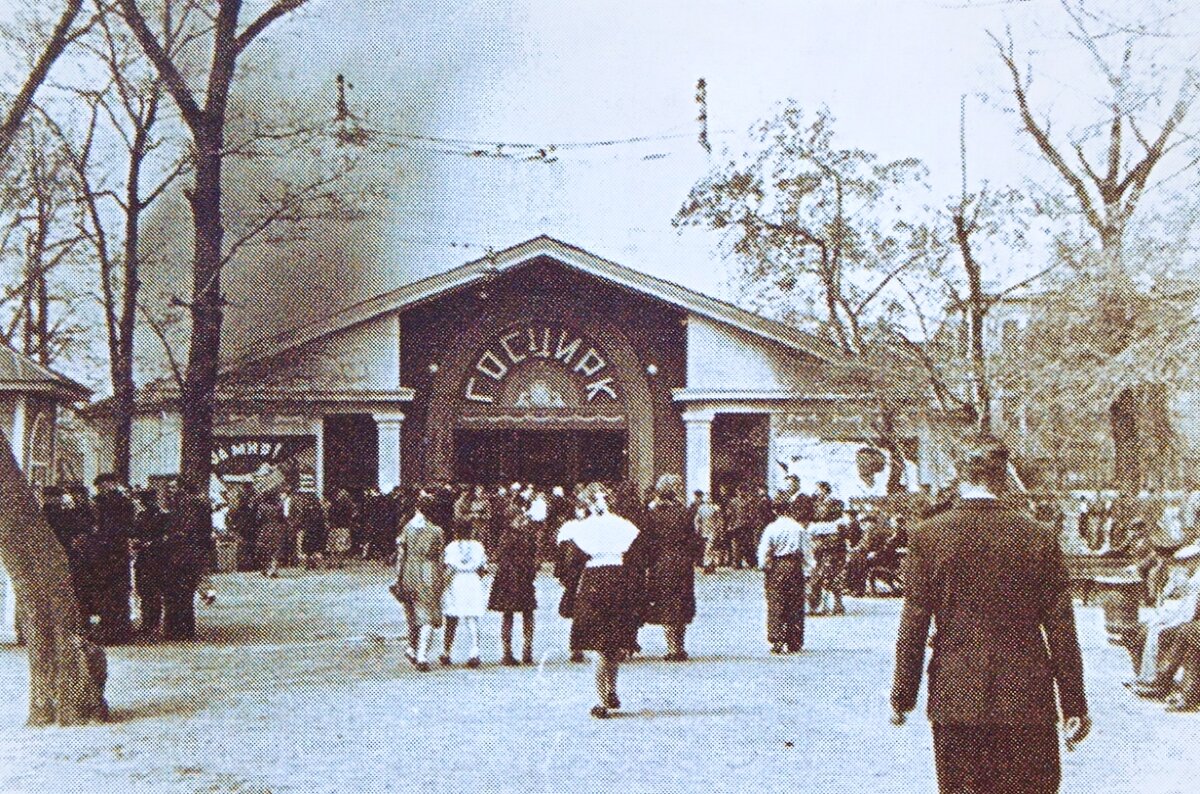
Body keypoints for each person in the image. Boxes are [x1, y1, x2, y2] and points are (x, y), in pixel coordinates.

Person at [890, 433, 1089, 794]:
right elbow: (1061, 629)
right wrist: (1074, 704)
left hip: (956, 693)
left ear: (960, 474)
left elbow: (914, 623)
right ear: (1003, 477)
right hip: (1026, 695)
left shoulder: (927, 536)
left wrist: (903, 696)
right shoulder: (1038, 535)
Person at [570, 483, 646, 718]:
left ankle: (600, 698)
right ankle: (611, 689)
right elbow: (639, 557)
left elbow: (572, 562)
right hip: (619, 577)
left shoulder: (583, 529)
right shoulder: (624, 526)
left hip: (594, 579)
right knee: (613, 642)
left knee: (599, 643)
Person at [643, 474, 698, 661]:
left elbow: (648, 541)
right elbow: (693, 539)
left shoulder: (652, 514)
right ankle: (680, 645)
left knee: (666, 602)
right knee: (681, 601)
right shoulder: (684, 512)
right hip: (682, 561)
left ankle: (671, 647)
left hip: (661, 562)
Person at [392, 493, 447, 672]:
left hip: (409, 571)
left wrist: (398, 577)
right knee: (428, 617)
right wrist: (441, 580)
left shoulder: (407, 528)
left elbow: (401, 556)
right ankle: (422, 655)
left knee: (412, 614)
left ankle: (412, 648)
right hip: (428, 572)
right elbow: (441, 559)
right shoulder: (437, 531)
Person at [757, 498, 815, 653]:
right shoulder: (798, 528)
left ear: (775, 511)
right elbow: (807, 552)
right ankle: (794, 640)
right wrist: (808, 572)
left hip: (777, 565)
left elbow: (765, 550)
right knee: (795, 603)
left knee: (776, 601)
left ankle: (776, 640)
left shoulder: (771, 528)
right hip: (794, 565)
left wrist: (764, 566)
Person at [488, 503, 539, 665]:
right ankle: (517, 650)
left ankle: (518, 650)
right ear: (511, 520)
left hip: (511, 579)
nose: (522, 520)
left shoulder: (509, 536)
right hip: (516, 578)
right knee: (523, 613)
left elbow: (501, 557)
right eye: (519, 517)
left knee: (513, 613)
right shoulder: (517, 535)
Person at [440, 524, 488, 668]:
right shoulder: (478, 547)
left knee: (451, 617)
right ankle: (474, 651)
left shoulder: (451, 547)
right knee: (472, 617)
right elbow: (482, 568)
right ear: (472, 531)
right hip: (472, 580)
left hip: (456, 580)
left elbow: (447, 567)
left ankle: (446, 652)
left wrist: (443, 585)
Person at [131, 488, 170, 636]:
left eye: (148, 500)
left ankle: (153, 623)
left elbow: (165, 537)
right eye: (145, 500)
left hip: (157, 558)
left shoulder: (162, 516)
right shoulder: (141, 516)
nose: (146, 503)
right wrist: (137, 542)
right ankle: (147, 622)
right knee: (144, 591)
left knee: (153, 593)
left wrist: (151, 544)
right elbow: (135, 533)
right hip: (143, 558)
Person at [554, 502, 590, 663]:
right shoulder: (569, 527)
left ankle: (579, 646)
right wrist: (562, 574)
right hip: (576, 573)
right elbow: (562, 553)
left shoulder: (591, 525)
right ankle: (577, 647)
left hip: (585, 570)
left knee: (581, 610)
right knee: (578, 610)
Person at [694, 491, 723, 573]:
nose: (708, 498)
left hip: (713, 530)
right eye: (706, 497)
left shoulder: (716, 508)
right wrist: (697, 528)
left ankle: (708, 565)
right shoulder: (701, 508)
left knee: (709, 548)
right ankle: (711, 565)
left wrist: (719, 530)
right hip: (704, 530)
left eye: (709, 497)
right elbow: (697, 519)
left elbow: (720, 520)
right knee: (708, 548)